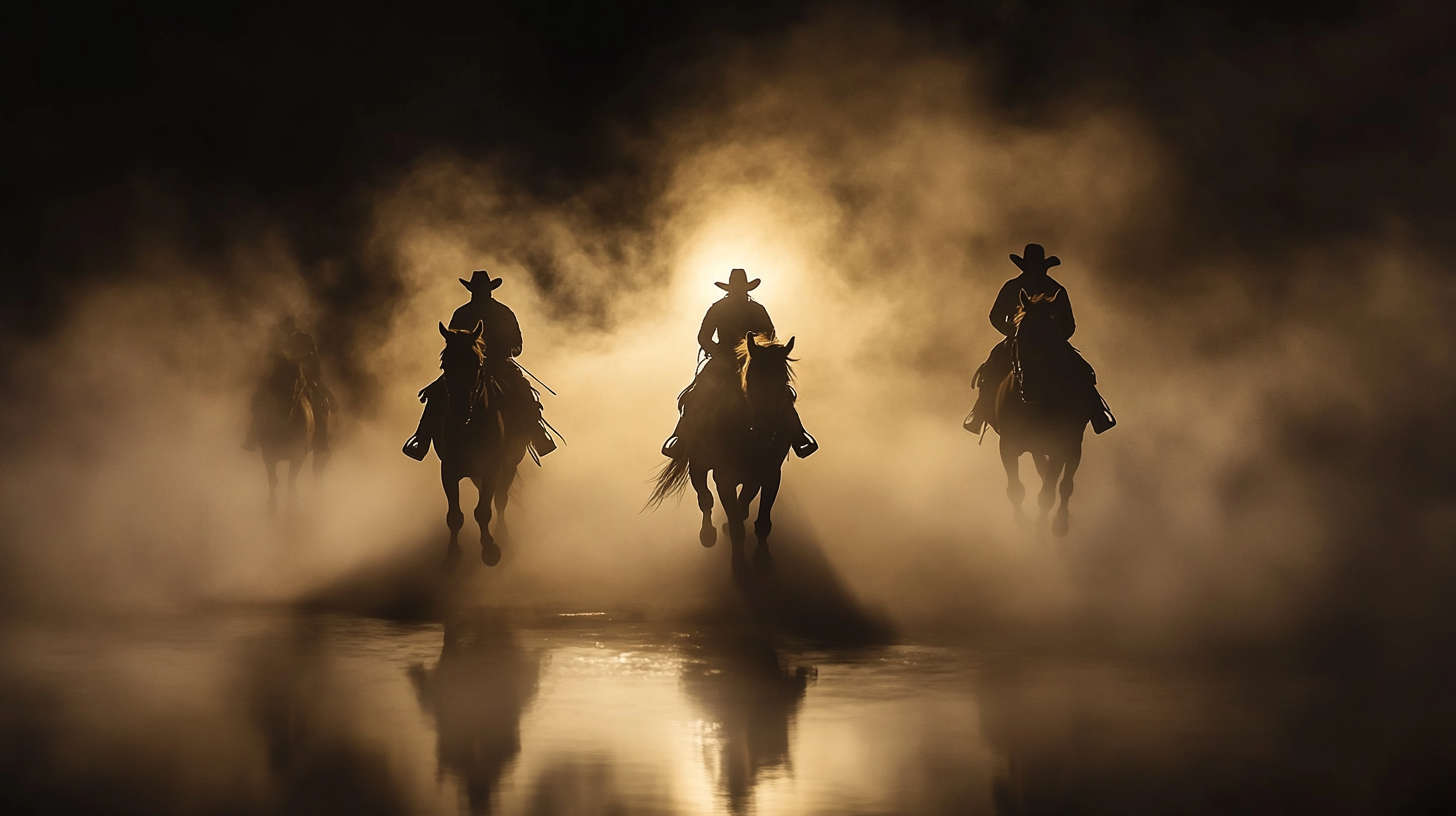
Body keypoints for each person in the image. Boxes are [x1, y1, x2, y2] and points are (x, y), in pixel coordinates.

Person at [662, 268, 817, 459]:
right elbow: (704, 337)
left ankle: (798, 435)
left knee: (781, 395)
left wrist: (759, 354)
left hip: (756, 361)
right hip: (723, 361)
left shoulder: (756, 309)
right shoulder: (719, 308)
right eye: (736, 288)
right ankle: (681, 438)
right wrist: (718, 353)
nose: (738, 292)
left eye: (740, 288)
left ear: (746, 289)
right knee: (697, 396)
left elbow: (770, 336)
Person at [402, 271, 556, 461]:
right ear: (473, 290)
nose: (479, 293)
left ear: (489, 290)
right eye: (477, 290)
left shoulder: (503, 313)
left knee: (522, 391)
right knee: (435, 395)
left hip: (500, 366)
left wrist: (500, 350)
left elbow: (517, 346)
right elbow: (451, 344)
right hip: (466, 367)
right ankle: (421, 440)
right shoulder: (462, 313)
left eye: (482, 290)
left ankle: (537, 434)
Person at [964, 244, 1115, 435]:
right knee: (990, 371)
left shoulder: (1055, 289)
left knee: (1083, 371)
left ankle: (1098, 413)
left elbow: (1069, 324)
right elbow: (995, 317)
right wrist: (1015, 332)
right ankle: (979, 413)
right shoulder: (1013, 287)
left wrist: (1053, 337)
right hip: (1016, 341)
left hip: (1052, 342)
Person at [243, 314, 333, 452]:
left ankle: (320, 439)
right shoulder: (277, 339)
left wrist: (304, 367)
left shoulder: (305, 338)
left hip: (303, 374)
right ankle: (252, 437)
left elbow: (313, 357)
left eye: (289, 325)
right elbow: (269, 357)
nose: (287, 328)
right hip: (280, 374)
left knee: (320, 399)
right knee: (259, 398)